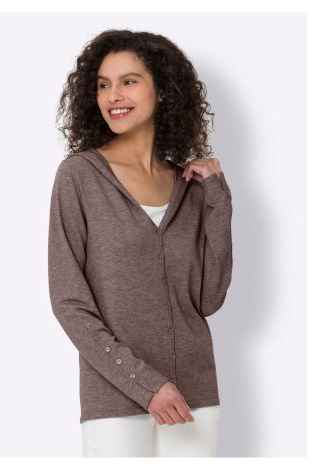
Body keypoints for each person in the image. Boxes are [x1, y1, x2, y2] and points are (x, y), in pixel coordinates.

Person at [49, 29, 233, 457]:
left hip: (193, 396)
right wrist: (145, 384)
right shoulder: (79, 176)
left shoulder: (190, 185)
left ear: (163, 91)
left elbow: (208, 299)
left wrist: (217, 196)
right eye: (103, 84)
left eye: (128, 81)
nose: (113, 95)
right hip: (116, 400)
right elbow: (69, 302)